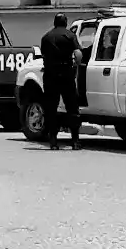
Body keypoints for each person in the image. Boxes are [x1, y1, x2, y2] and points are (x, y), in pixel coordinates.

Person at [40, 12, 83, 150]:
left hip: (50, 75)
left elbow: (44, 55)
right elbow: (78, 54)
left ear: (54, 23)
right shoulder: (70, 36)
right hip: (66, 74)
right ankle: (75, 141)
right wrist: (76, 65)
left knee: (51, 107)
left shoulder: (46, 37)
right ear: (66, 22)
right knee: (72, 106)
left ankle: (53, 141)